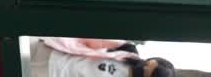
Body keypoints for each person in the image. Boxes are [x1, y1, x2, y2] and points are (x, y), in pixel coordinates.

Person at [30, 37, 174, 77]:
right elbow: (92, 40)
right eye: (147, 63)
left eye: (146, 72)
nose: (143, 67)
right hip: (52, 53)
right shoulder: (127, 50)